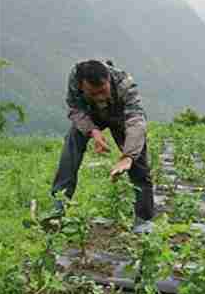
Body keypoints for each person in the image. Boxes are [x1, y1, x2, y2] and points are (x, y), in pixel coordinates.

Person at [50, 59, 154, 233]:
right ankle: (57, 212)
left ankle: (143, 220)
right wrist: (93, 131)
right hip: (91, 115)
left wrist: (128, 156)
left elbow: (136, 121)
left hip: (120, 116)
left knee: (139, 163)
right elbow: (74, 108)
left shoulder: (124, 83)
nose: (99, 97)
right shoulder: (76, 78)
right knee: (72, 144)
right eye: (93, 93)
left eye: (103, 91)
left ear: (109, 80)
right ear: (83, 87)